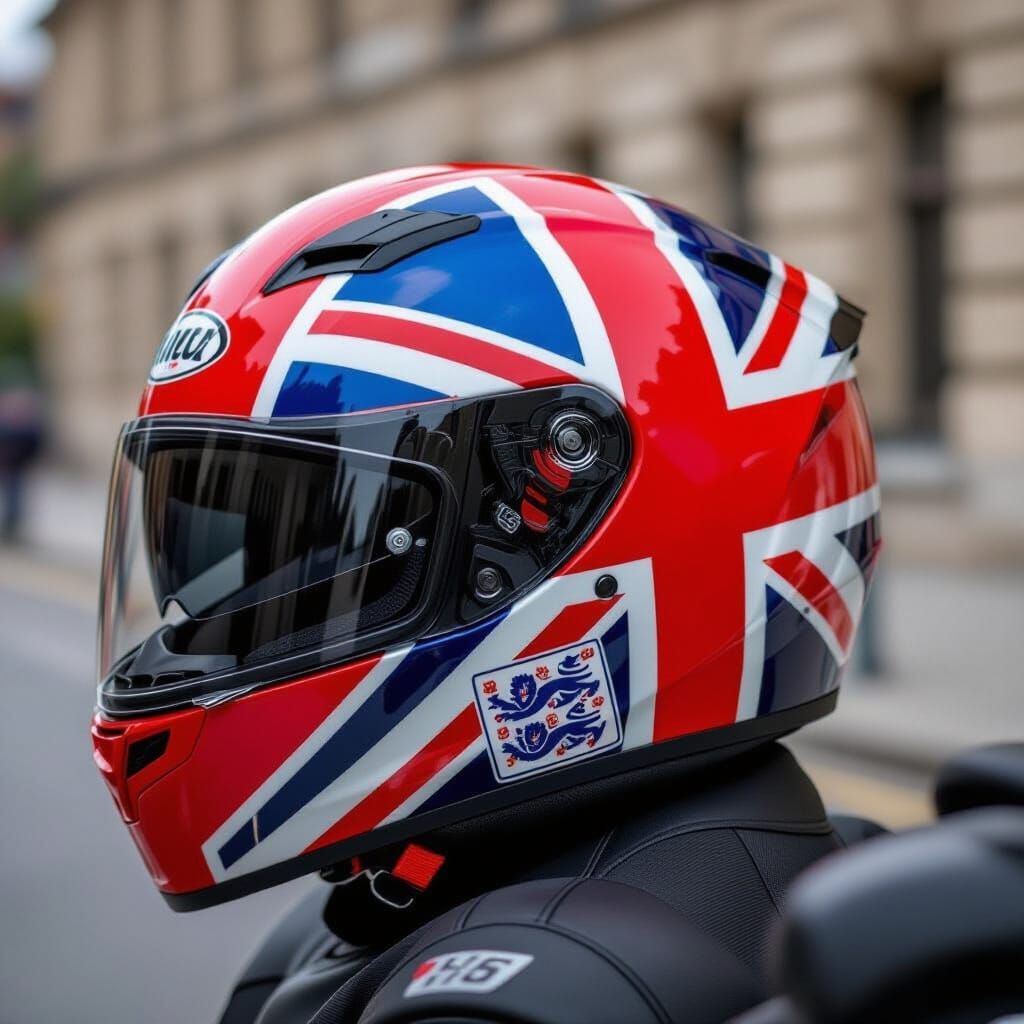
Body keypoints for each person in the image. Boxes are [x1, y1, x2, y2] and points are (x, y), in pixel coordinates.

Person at [89, 165, 881, 1021]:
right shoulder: (422, 883)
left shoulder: (526, 998)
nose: (199, 621)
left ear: (552, 510)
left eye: (326, 536)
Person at [0, 375, 44, 543]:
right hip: (9, 466)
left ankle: (13, 526)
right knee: (11, 496)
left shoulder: (27, 426)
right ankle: (9, 526)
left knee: (16, 496)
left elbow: (36, 442)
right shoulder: (7, 424)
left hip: (18, 467)